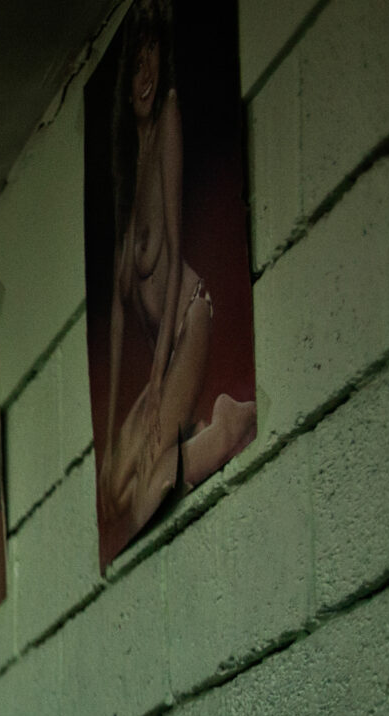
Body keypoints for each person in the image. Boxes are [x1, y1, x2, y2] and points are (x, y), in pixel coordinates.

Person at [99, 0, 254, 540]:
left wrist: (160, 373)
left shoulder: (168, 119)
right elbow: (120, 313)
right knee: (115, 488)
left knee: (146, 502)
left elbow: (175, 238)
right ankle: (195, 432)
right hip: (157, 351)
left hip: (186, 321)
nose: (145, 77)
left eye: (152, 61)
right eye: (136, 67)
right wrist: (128, 404)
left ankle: (228, 424)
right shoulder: (127, 166)